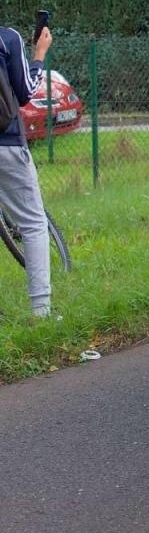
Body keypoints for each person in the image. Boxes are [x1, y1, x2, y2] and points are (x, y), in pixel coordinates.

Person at [1, 20, 53, 318]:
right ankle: (41, 311)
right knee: (33, 224)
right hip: (5, 144)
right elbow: (25, 92)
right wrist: (39, 54)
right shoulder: (8, 39)